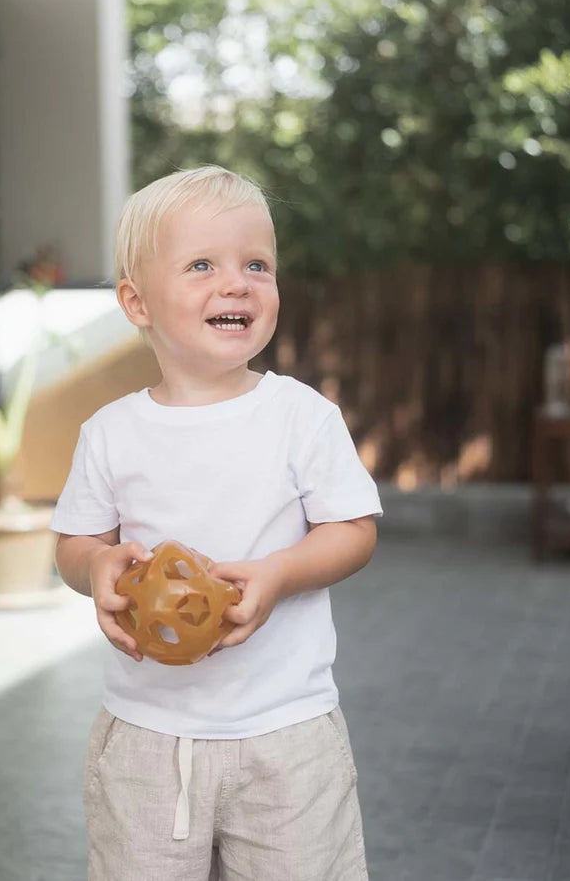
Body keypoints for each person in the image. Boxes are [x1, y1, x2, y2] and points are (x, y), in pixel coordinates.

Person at [51, 165, 382, 880]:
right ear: (137, 303)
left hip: (288, 737)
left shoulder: (302, 418)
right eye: (202, 264)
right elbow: (76, 543)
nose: (236, 283)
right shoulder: (109, 433)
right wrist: (95, 568)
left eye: (256, 265)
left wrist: (280, 574)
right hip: (145, 738)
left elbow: (354, 530)